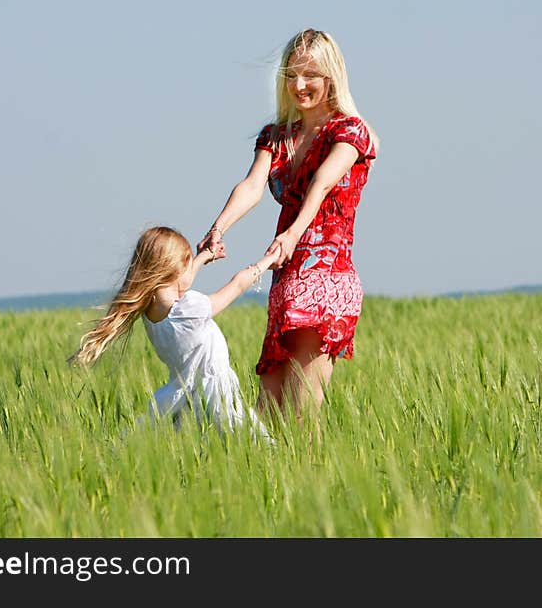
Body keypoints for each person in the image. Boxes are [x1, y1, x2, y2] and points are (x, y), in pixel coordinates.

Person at [197, 28, 379, 424]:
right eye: (291, 74)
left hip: (325, 280)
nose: (299, 85)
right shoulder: (277, 136)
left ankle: (313, 485)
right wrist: (219, 227)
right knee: (266, 419)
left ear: (331, 76)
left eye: (310, 74)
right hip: (284, 277)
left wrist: (294, 233)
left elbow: (324, 181)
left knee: (302, 412)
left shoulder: (349, 130)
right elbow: (252, 185)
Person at [69, 226, 276, 441]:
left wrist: (202, 258)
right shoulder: (189, 309)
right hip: (216, 397)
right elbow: (237, 285)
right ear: (173, 270)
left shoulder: (150, 312)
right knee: (257, 445)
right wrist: (268, 260)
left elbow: (179, 283)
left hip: (182, 398)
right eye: (187, 265)